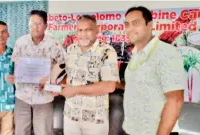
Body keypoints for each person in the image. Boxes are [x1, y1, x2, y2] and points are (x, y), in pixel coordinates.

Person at [123, 6, 185, 135]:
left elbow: (175, 100)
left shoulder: (166, 52)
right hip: (133, 130)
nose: (130, 28)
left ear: (150, 25)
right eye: (127, 24)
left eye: (136, 23)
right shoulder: (136, 54)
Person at [7, 10, 65, 135]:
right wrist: (13, 76)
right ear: (28, 24)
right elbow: (15, 66)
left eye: (39, 23)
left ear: (45, 26)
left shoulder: (54, 44)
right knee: (21, 131)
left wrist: (52, 81)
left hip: (44, 97)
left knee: (43, 131)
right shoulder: (20, 42)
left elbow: (64, 66)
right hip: (22, 96)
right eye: (32, 23)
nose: (35, 27)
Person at [60, 14, 119, 135]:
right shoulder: (71, 49)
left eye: (88, 30)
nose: (83, 34)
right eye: (80, 30)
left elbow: (109, 86)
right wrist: (54, 86)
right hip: (70, 116)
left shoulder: (107, 51)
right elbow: (67, 75)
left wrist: (75, 90)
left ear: (97, 30)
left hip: (95, 120)